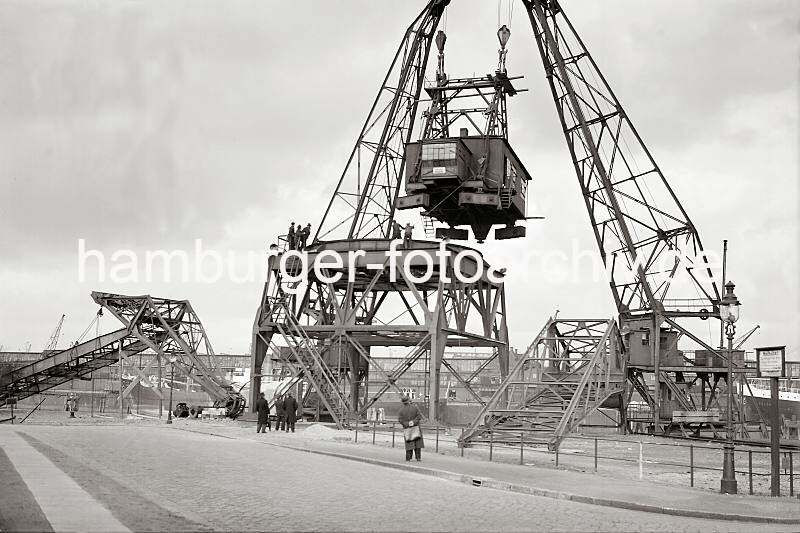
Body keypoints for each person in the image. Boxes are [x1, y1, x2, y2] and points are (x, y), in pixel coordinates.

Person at [398, 394, 424, 461]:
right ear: (409, 400)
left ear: (403, 402)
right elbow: (419, 417)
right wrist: (413, 422)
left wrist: (407, 424)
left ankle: (408, 458)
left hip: (407, 428)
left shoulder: (401, 410)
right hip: (416, 428)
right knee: (417, 443)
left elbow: (400, 420)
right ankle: (418, 458)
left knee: (409, 444)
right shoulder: (415, 408)